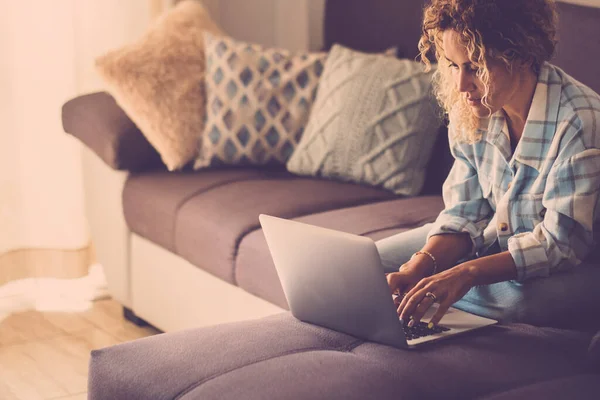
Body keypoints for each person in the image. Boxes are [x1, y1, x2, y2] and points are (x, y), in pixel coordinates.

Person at [379, 0, 600, 329]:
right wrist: (422, 265)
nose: (461, 85)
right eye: (453, 66)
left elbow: (560, 245)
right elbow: (467, 211)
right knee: (373, 262)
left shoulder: (579, 121)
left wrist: (465, 272)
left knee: (517, 302)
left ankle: (428, 302)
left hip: (575, 266)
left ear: (522, 55)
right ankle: (426, 299)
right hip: (495, 243)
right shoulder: (471, 108)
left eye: (476, 66)